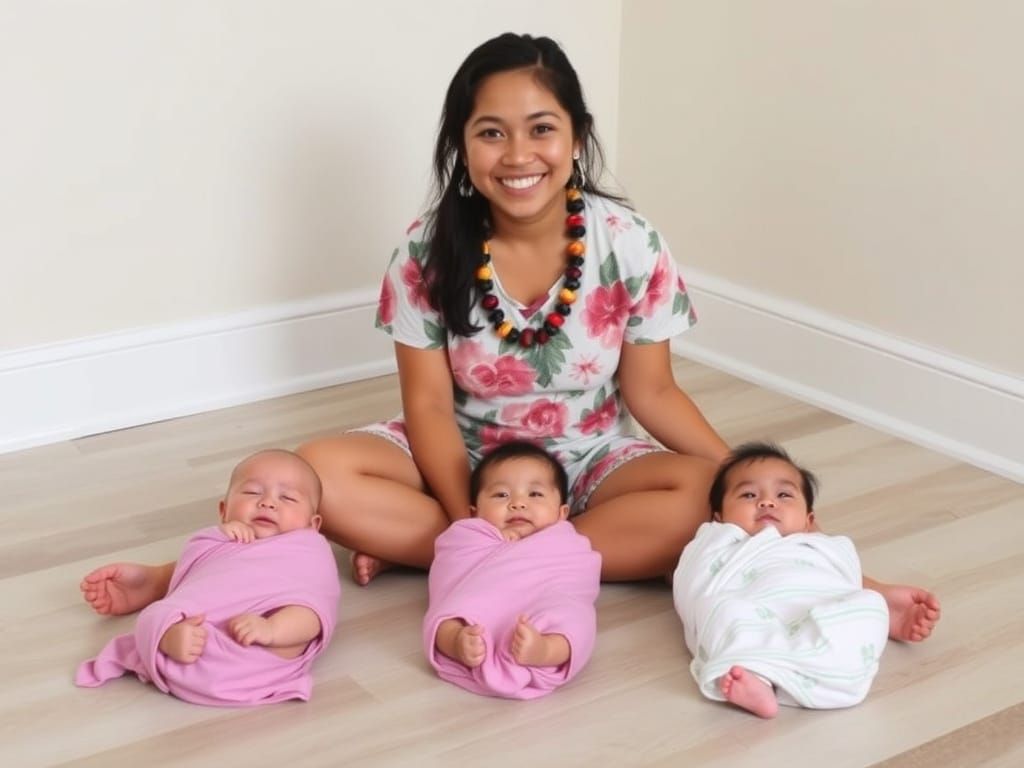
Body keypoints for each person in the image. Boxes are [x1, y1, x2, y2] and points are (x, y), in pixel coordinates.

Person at [79, 32, 939, 646]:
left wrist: (736, 488)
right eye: (491, 131)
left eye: (541, 129)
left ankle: (509, 556)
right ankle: (495, 559)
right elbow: (424, 407)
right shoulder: (426, 247)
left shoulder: (628, 241)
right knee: (313, 469)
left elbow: (653, 394)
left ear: (575, 137)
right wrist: (473, 527)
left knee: (699, 499)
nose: (517, 153)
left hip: (590, 460)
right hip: (458, 454)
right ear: (462, 143)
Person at [672, 442, 934, 718]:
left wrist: (878, 598)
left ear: (809, 521)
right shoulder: (719, 542)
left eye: (784, 495)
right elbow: (693, 587)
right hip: (754, 611)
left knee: (869, 603)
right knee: (719, 610)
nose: (767, 502)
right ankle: (758, 678)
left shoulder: (824, 546)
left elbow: (846, 579)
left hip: (817, 609)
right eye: (748, 495)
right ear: (719, 518)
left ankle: (810, 668)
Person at [76, 449, 340, 707]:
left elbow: (319, 607)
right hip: (197, 635)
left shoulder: (310, 552)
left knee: (307, 612)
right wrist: (219, 536)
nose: (268, 502)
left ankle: (272, 631)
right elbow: (201, 581)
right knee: (154, 616)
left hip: (260, 648)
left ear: (312, 524)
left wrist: (269, 630)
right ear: (224, 510)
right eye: (252, 492)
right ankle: (168, 638)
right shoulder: (214, 540)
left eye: (288, 498)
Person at [424, 441, 601, 699]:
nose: (518, 503)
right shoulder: (466, 536)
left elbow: (578, 583)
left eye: (535, 494)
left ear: (562, 513)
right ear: (475, 512)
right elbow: (450, 571)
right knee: (448, 616)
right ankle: (457, 642)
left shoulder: (568, 544)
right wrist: (491, 541)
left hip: (544, 604)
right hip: (480, 609)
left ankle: (545, 650)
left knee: (576, 618)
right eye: (501, 495)